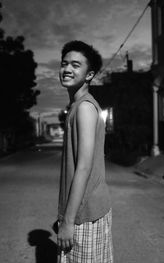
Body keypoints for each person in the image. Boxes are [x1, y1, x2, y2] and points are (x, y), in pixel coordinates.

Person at [57, 40, 113, 263]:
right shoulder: (76, 107)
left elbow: (84, 167)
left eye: (75, 65)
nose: (67, 69)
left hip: (85, 214)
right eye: (64, 63)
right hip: (83, 211)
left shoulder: (85, 109)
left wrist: (69, 221)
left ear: (89, 75)